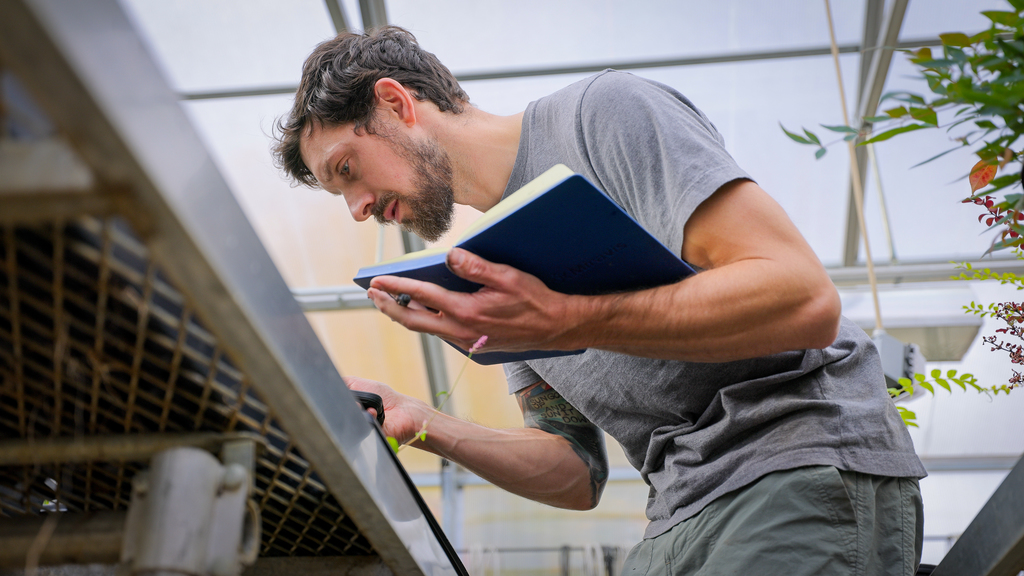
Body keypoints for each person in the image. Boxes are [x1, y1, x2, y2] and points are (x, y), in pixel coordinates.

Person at [273, 26, 926, 575]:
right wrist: (421, 421)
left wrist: (564, 319)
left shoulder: (603, 115)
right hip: (676, 514)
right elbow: (572, 471)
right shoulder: (491, 274)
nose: (358, 210)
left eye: (347, 171)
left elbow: (801, 297)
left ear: (394, 104)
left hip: (792, 466)